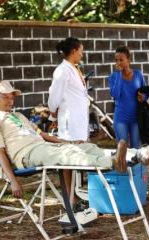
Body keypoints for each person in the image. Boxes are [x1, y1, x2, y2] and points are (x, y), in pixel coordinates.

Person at [0, 80, 149, 198]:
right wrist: (13, 180)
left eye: (12, 97)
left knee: (86, 148)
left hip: (42, 147)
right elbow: (0, 151)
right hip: (27, 154)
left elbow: (43, 135)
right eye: (5, 97)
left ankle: (138, 154)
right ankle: (113, 162)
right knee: (70, 155)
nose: (10, 101)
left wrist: (68, 142)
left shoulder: (19, 116)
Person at [48, 37, 90, 198]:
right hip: (70, 123)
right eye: (81, 51)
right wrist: (53, 113)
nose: (82, 54)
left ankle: (75, 194)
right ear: (73, 51)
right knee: (68, 160)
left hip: (79, 122)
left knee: (77, 158)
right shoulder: (62, 71)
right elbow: (54, 97)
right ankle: (69, 198)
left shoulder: (73, 68)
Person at [108, 46, 146, 149]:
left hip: (136, 118)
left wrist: (143, 97)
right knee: (122, 148)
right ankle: (122, 166)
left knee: (136, 148)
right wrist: (120, 74)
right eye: (116, 60)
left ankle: (136, 166)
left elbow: (146, 93)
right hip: (121, 118)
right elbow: (115, 94)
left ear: (128, 60)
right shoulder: (113, 77)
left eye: (121, 60)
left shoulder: (138, 75)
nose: (118, 62)